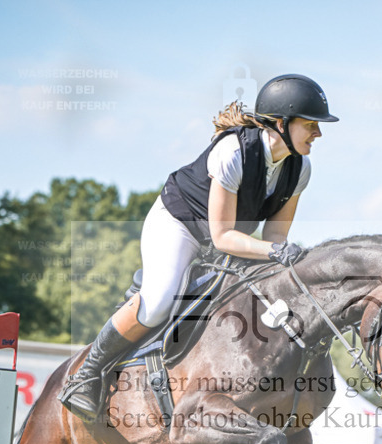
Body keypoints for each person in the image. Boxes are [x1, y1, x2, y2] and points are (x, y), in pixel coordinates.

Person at [59, 74, 339, 422]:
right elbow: (223, 238)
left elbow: (275, 240)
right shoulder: (233, 152)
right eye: (311, 125)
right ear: (281, 124)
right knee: (160, 301)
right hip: (180, 224)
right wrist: (274, 253)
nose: (319, 134)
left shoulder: (300, 169)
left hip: (229, 240)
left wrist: (282, 259)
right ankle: (87, 374)